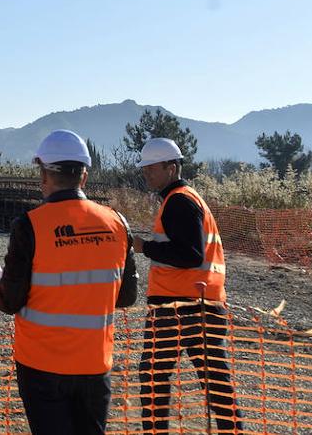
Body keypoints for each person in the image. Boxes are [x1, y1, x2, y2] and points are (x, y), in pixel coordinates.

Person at [0, 130, 137, 435]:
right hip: (94, 364)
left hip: (41, 367)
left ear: (44, 176)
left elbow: (10, 302)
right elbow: (126, 297)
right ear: (83, 177)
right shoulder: (117, 223)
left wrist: (2, 284)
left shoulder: (29, 225)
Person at [131, 137, 241, 434]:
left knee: (153, 376)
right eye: (145, 169)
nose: (147, 174)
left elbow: (191, 255)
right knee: (216, 381)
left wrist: (145, 247)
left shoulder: (179, 201)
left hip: (178, 307)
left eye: (151, 168)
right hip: (203, 302)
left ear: (171, 167)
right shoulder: (188, 198)